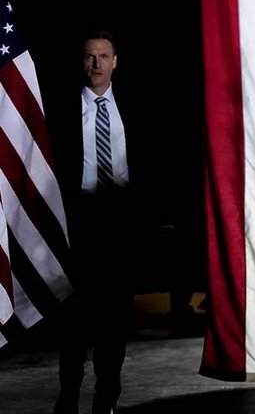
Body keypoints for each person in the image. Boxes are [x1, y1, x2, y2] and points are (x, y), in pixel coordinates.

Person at [51, 31, 138, 414]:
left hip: (119, 225)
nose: (97, 64)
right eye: (90, 57)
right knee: (74, 322)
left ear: (115, 61)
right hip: (78, 224)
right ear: (81, 61)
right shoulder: (59, 108)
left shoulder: (133, 106)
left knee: (113, 323)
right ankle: (67, 397)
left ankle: (106, 400)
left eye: (104, 56)